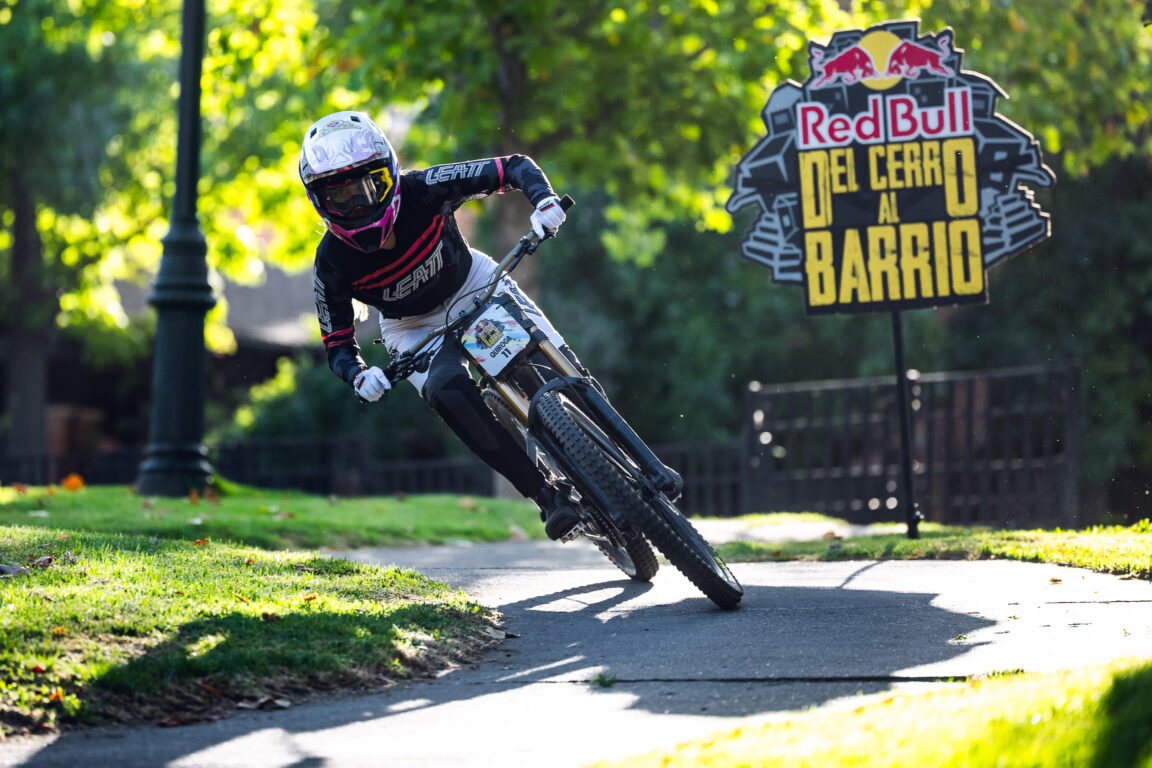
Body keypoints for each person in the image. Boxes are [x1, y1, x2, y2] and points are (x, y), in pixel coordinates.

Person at [300, 110, 583, 540]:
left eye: (368, 187)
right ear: (319, 201)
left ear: (390, 173)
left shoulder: (425, 187)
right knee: (450, 394)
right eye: (340, 197)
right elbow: (337, 343)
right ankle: (546, 495)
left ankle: (594, 413)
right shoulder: (330, 264)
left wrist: (543, 200)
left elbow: (512, 167)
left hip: (472, 283)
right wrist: (359, 376)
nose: (358, 204)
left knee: (546, 358)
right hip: (410, 327)